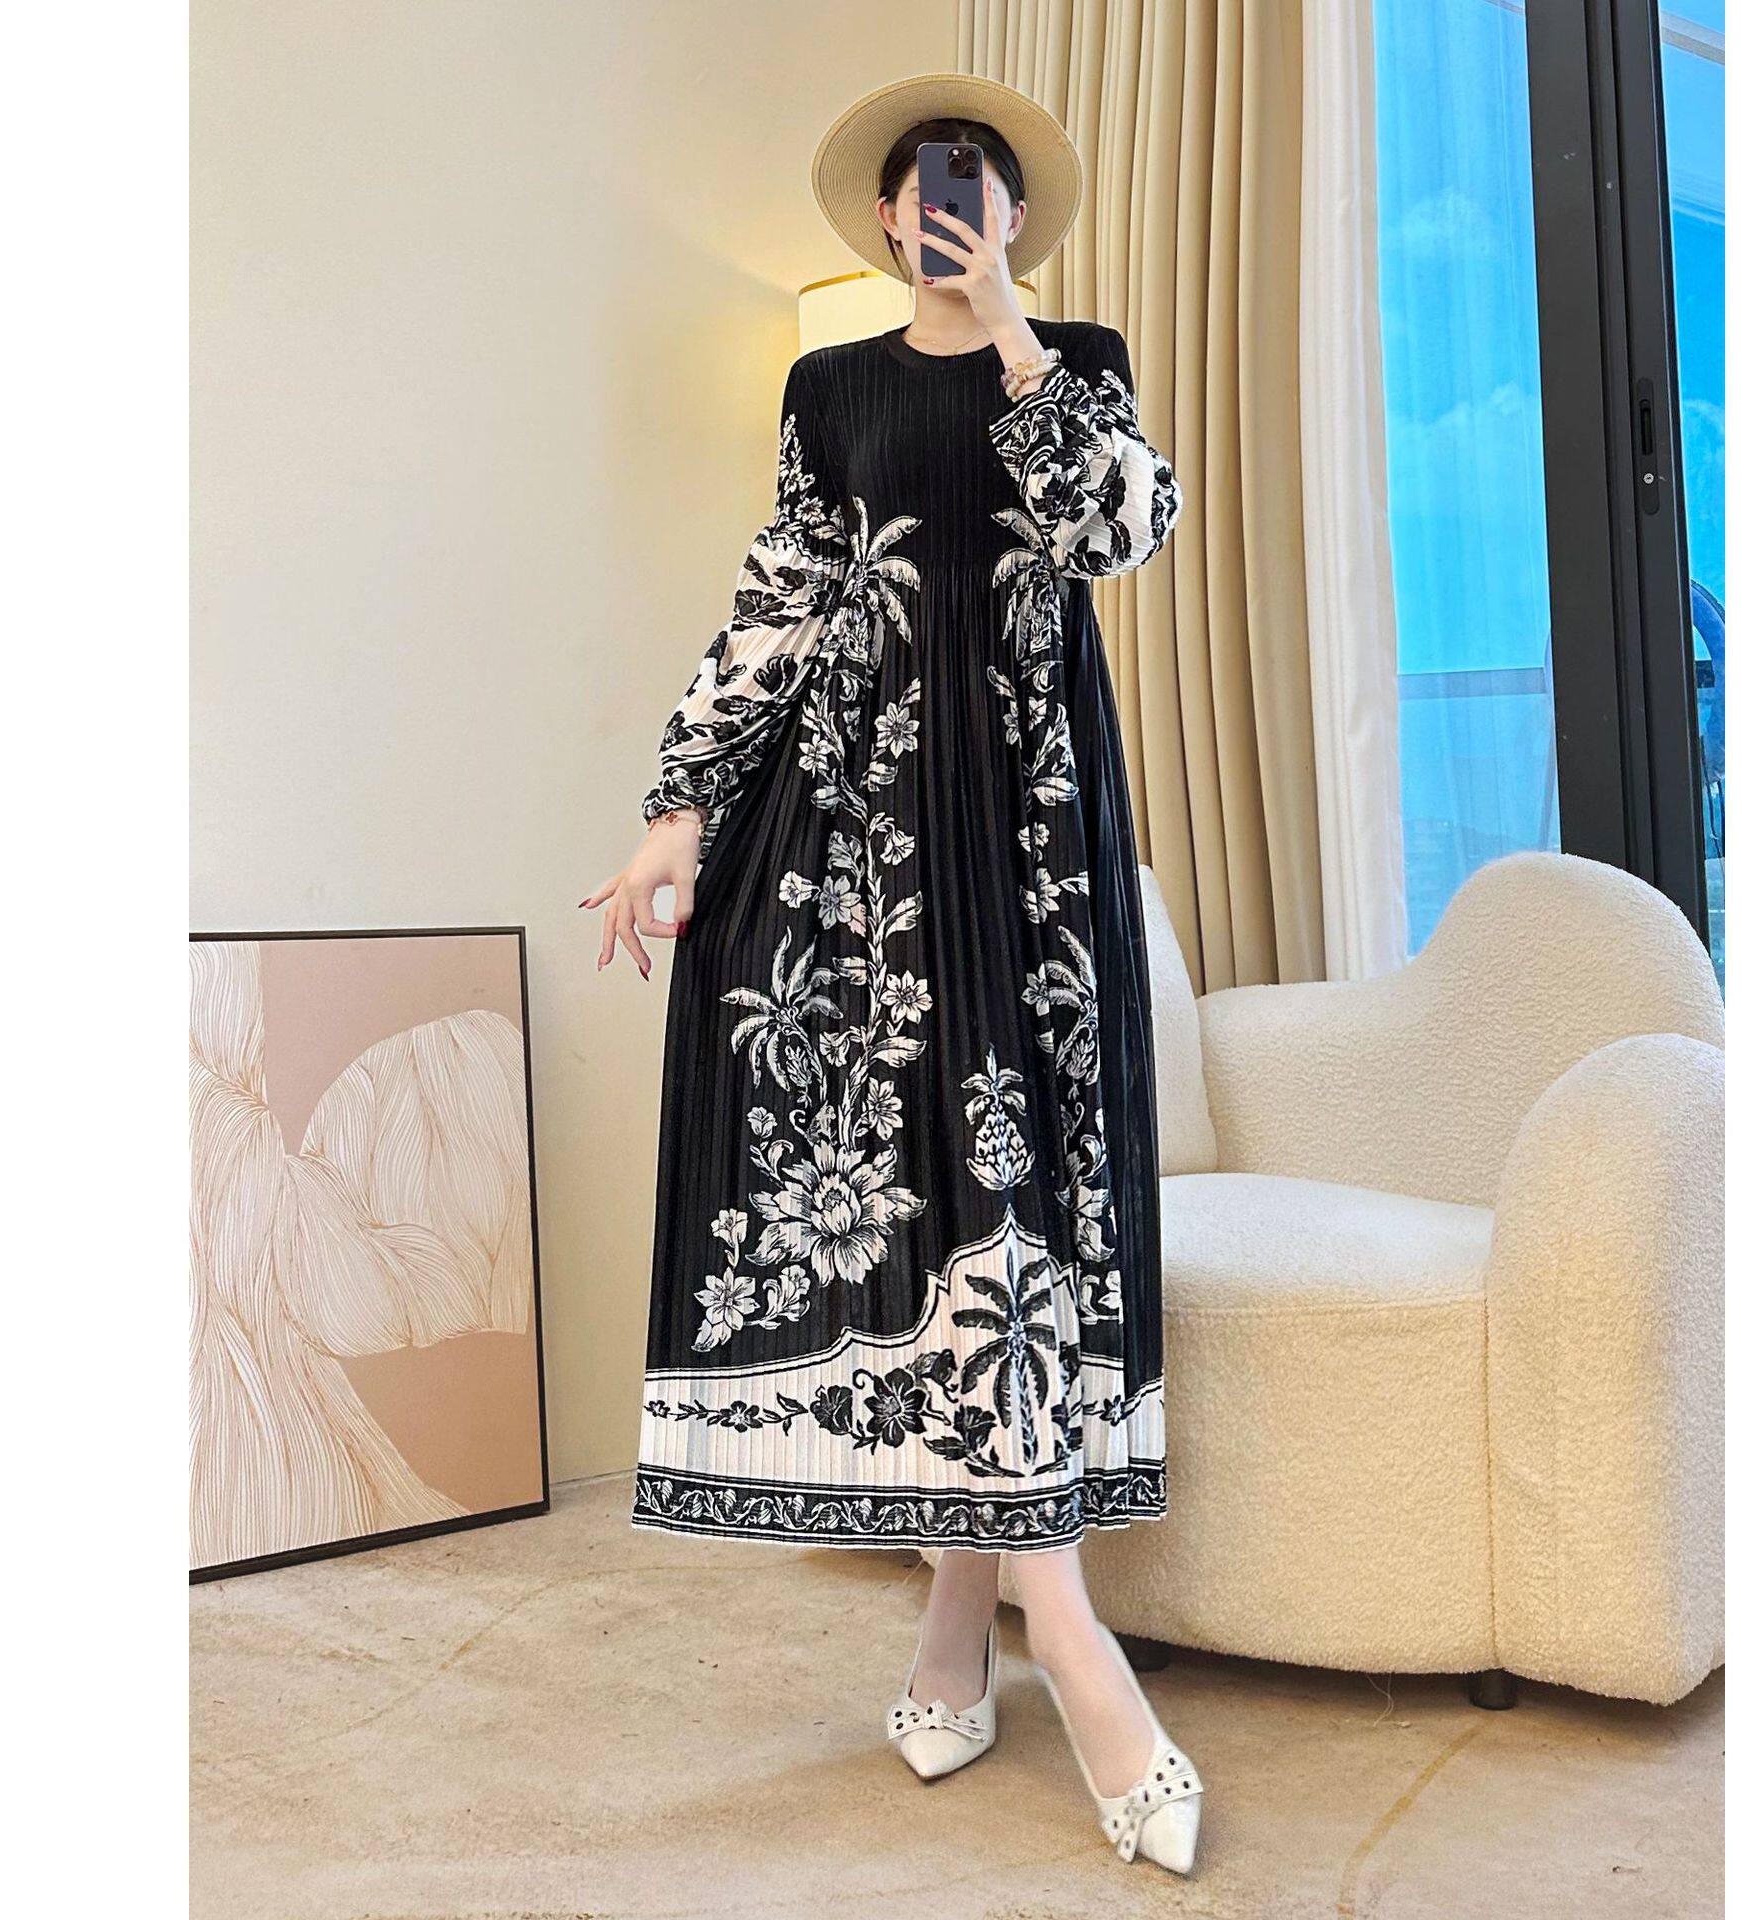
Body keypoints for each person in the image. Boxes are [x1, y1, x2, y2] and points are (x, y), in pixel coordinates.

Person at [583, 71, 1199, 1874]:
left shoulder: (1071, 360)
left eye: (978, 183)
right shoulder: (827, 388)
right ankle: (1045, 1634)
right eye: (928, 184)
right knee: (929, 1199)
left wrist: (1010, 330)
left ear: (1010, 215)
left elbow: (1120, 528)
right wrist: (680, 812)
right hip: (864, 842)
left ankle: (984, 1628)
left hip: (1033, 835)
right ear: (881, 216)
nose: (949, 203)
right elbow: (783, 594)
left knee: (1020, 1201)